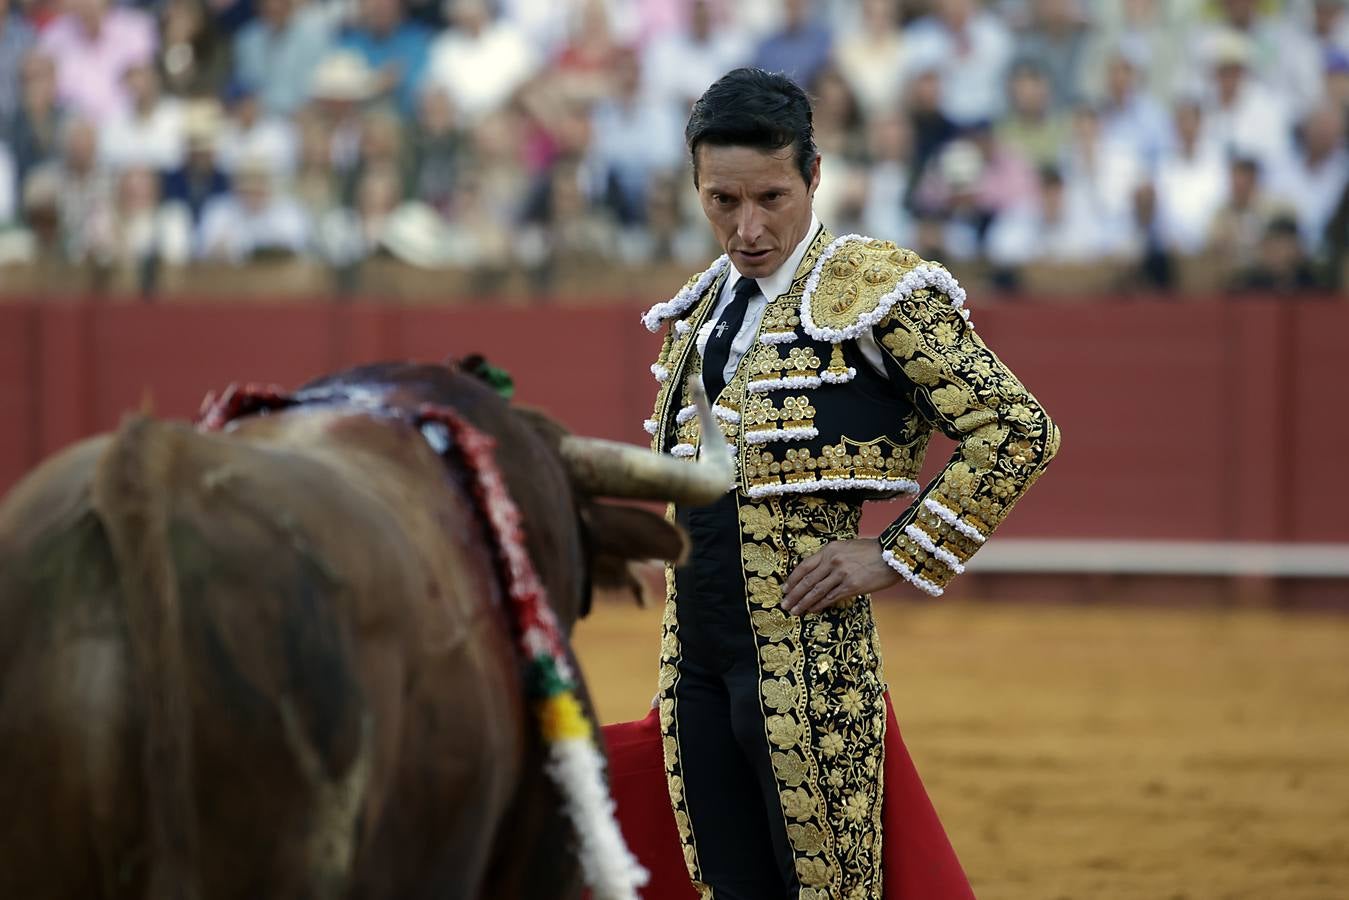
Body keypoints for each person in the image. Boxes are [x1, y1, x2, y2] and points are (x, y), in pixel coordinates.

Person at [641, 67, 1060, 899]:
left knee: (829, 886)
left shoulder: (876, 290)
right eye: (722, 201)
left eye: (770, 197)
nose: (747, 227)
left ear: (814, 177)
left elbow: (1017, 428)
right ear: (695, 186)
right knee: (726, 884)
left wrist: (893, 554)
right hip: (690, 650)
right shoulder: (702, 307)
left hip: (808, 650)